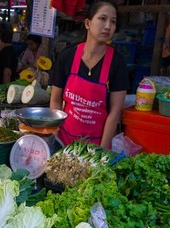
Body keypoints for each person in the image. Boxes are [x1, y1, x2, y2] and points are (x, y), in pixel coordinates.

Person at [49, 0, 128, 148]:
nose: (107, 26)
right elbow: (55, 101)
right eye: (102, 19)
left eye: (113, 21)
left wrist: (101, 152)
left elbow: (114, 114)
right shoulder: (67, 56)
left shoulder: (117, 63)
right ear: (87, 23)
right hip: (64, 142)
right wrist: (54, 138)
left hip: (96, 146)